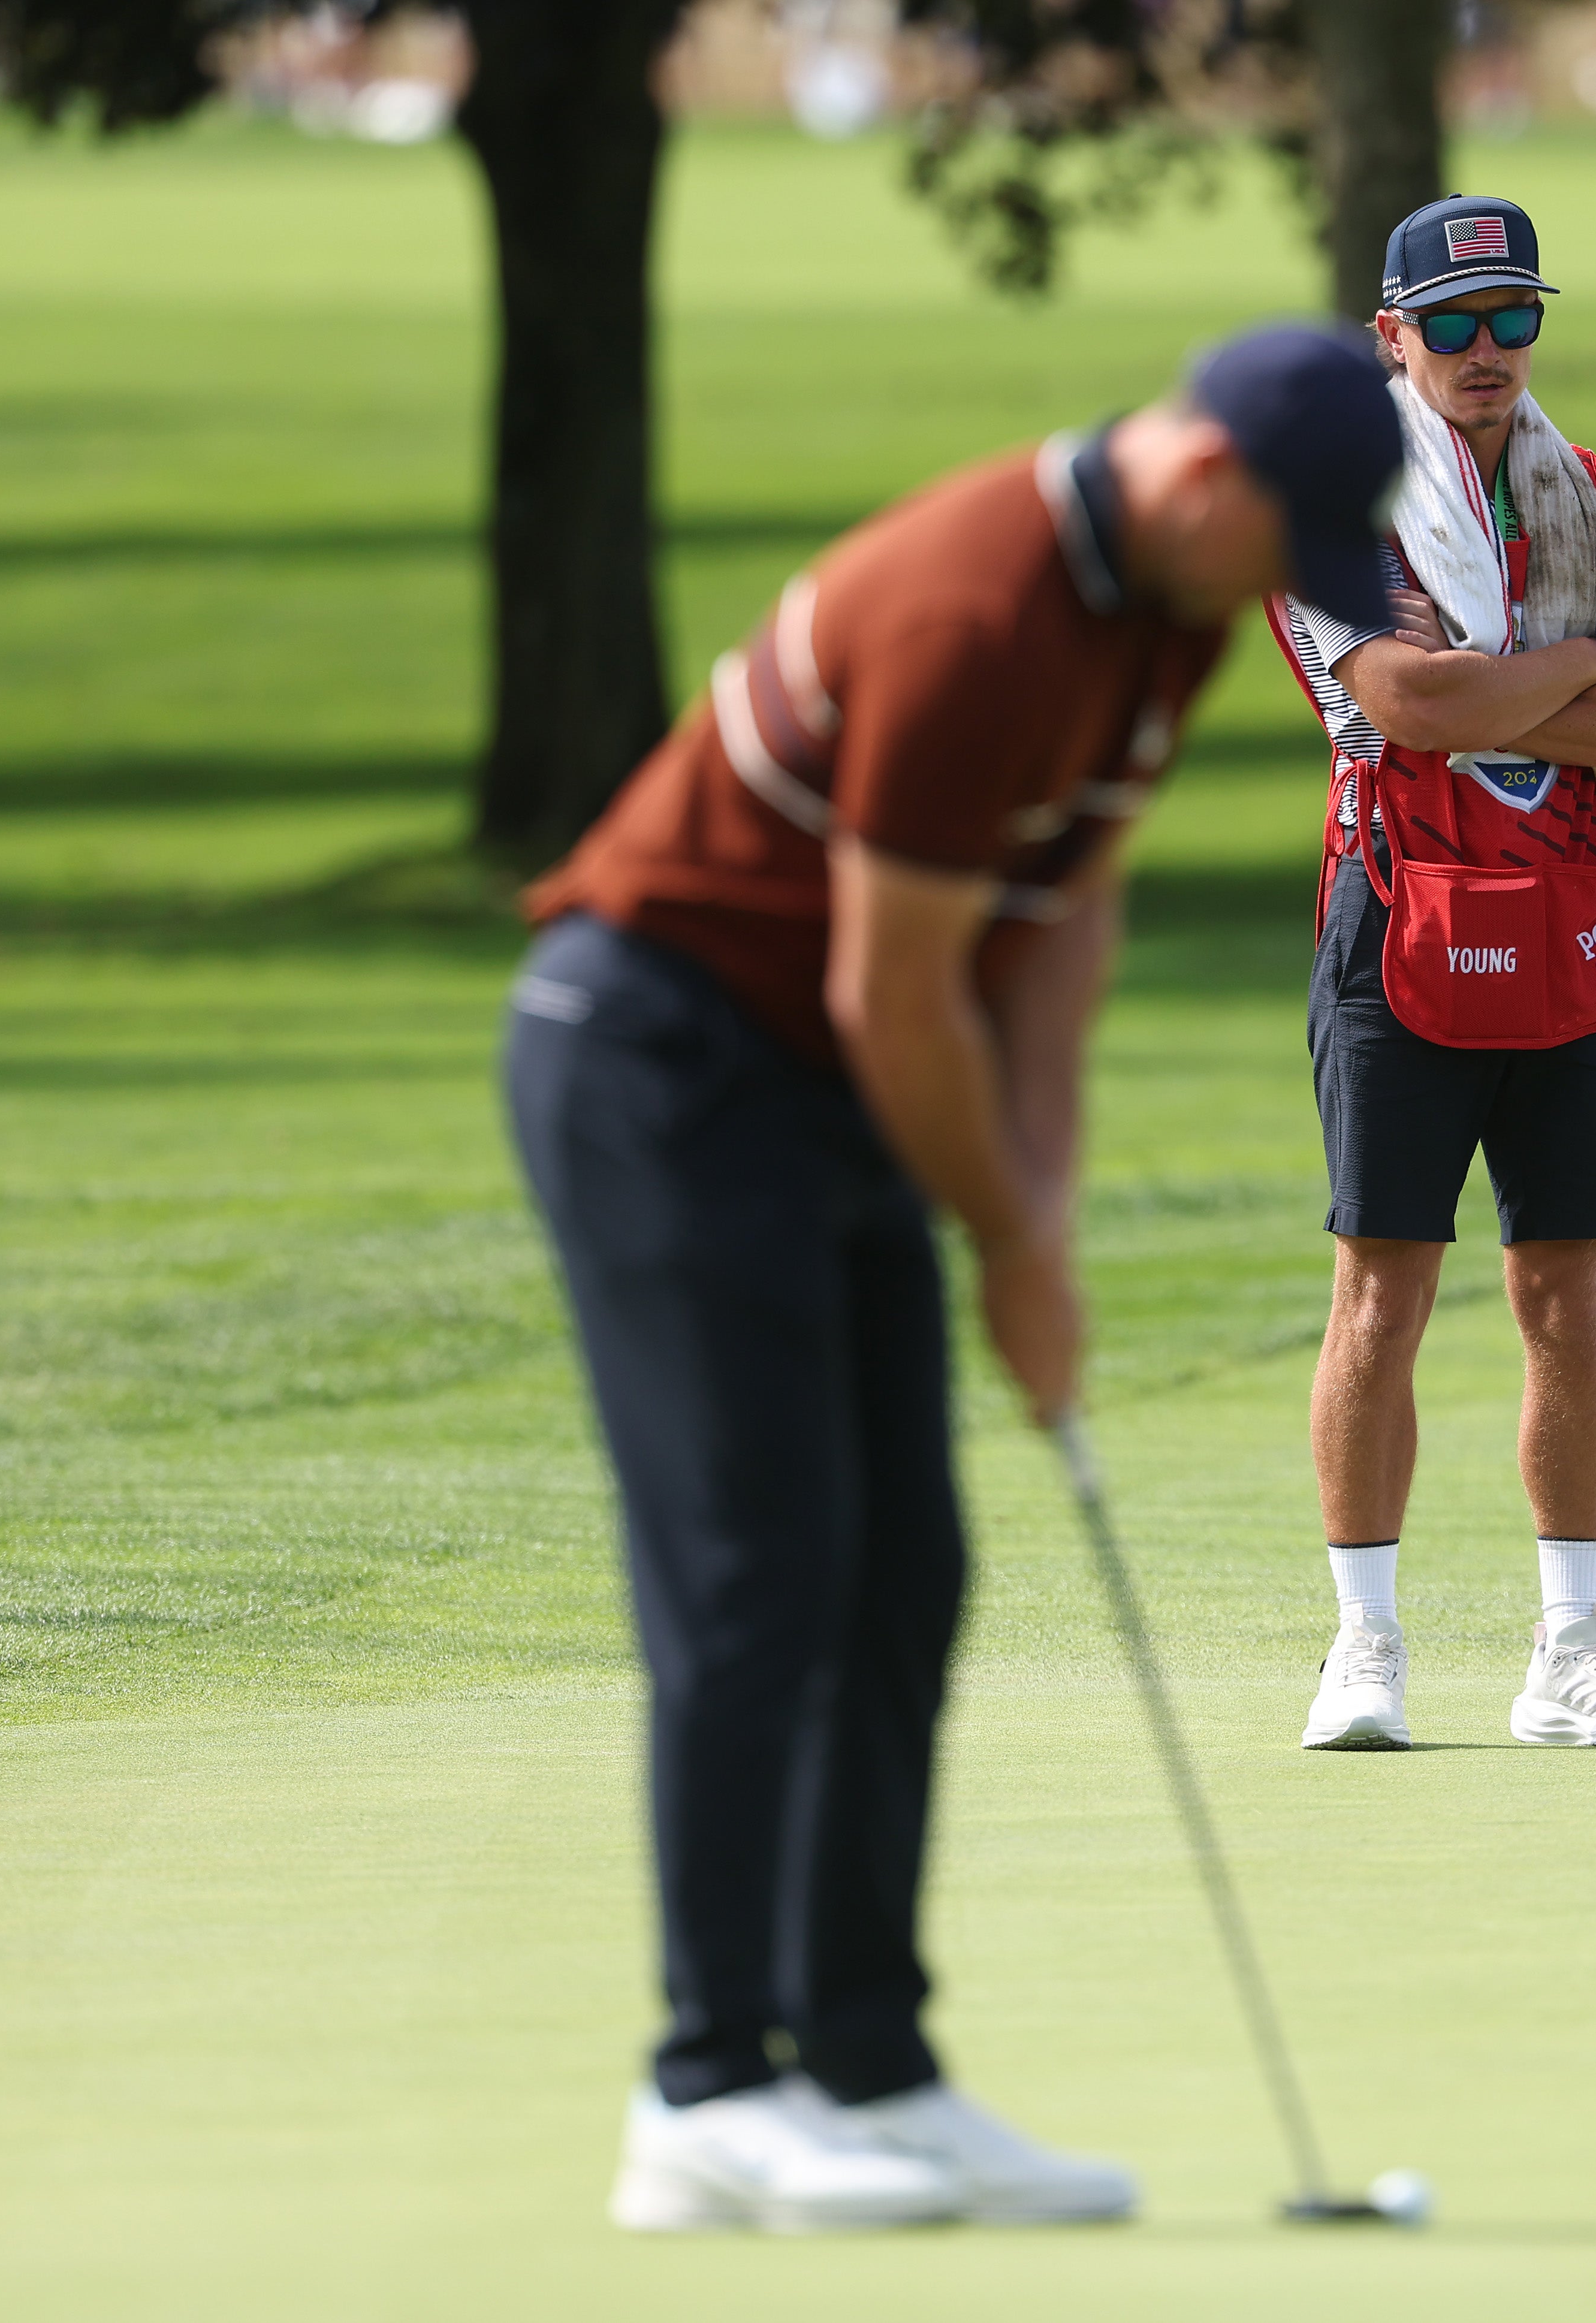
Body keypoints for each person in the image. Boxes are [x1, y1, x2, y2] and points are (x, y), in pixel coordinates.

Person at [507, 328, 1404, 2228]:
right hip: (659, 1060)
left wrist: (1043, 1216)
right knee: (757, 1575)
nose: (1282, 586)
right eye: (1283, 543)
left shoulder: (1162, 612)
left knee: (903, 1567)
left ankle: (870, 2068)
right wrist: (1000, 1241)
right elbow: (892, 988)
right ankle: (703, 2091)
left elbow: (1058, 919)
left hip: (816, 1081)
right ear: (1202, 474)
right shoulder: (975, 609)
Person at [1267, 194, 1596, 1752]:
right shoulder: (1328, 502)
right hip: (1398, 918)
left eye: (1511, 316)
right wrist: (1575, 669)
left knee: (1565, 1289)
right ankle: (1364, 1647)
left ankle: (1572, 1651)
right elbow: (1404, 700)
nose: (1485, 349)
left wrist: (1503, 689)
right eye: (1449, 324)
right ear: (1390, 336)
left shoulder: (1593, 492)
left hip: (1565, 914)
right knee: (1382, 1284)